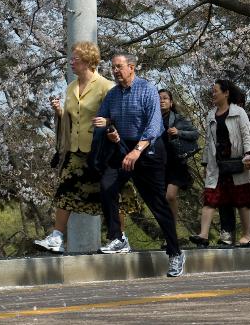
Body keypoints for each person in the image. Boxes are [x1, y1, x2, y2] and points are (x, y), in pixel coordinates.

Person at [93, 52, 185, 277]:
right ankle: (118, 237)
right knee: (107, 187)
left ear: (132, 67)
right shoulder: (112, 95)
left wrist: (137, 151)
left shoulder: (147, 90)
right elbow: (104, 120)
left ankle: (175, 253)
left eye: (119, 67)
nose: (115, 71)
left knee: (157, 204)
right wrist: (108, 127)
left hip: (148, 150)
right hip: (122, 147)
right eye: (113, 67)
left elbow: (154, 127)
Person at [34, 41, 114, 253]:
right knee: (65, 190)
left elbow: (117, 115)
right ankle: (57, 237)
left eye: (75, 59)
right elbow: (71, 117)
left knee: (112, 193)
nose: (71, 62)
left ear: (88, 61)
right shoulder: (71, 87)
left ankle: (118, 237)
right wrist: (60, 112)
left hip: (99, 150)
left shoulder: (106, 86)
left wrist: (107, 123)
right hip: (75, 149)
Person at [188, 78, 250, 247]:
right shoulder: (211, 115)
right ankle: (203, 235)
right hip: (218, 164)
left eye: (216, 91)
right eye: (212, 91)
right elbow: (208, 142)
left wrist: (249, 154)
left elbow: (247, 135)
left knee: (242, 200)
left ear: (226, 93)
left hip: (238, 162)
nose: (213, 94)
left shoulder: (239, 112)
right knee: (210, 198)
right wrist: (205, 164)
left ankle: (247, 235)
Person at [222, 85, 250, 244]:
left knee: (248, 201)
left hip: (247, 165)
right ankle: (228, 234)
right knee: (226, 201)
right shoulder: (223, 118)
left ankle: (249, 234)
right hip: (228, 166)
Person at [158, 88, 199, 237]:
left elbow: (195, 133)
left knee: (170, 196)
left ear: (171, 102)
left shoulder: (178, 119)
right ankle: (166, 231)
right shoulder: (152, 118)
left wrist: (178, 132)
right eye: (159, 98)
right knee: (161, 199)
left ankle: (172, 229)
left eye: (165, 98)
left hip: (176, 163)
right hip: (159, 163)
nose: (162, 101)